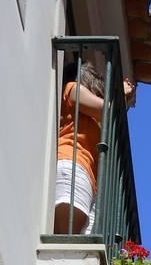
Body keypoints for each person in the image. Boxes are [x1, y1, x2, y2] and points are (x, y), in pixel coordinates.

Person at [53, 59, 135, 236]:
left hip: (85, 174)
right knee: (67, 236)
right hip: (73, 163)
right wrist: (119, 93)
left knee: (75, 242)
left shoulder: (90, 116)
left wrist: (123, 102)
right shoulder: (72, 88)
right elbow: (107, 110)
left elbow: (109, 117)